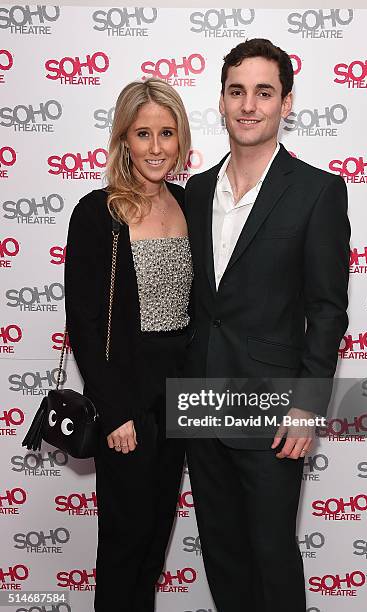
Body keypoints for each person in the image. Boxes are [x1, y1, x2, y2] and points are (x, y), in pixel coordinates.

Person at [184, 39, 350, 611]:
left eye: (263, 92)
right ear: (222, 101)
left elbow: (327, 309)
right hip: (201, 400)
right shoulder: (196, 190)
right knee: (222, 557)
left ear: (286, 102)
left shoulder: (317, 191)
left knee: (273, 557)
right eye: (237, 92)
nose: (248, 105)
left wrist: (307, 405)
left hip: (274, 410)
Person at [64, 78, 192, 612]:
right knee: (124, 539)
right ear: (124, 140)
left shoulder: (192, 204)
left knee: (157, 535)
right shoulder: (99, 213)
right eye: (144, 134)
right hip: (128, 397)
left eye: (167, 132)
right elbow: (85, 323)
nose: (157, 147)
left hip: (183, 396)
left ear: (181, 139)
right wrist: (114, 409)